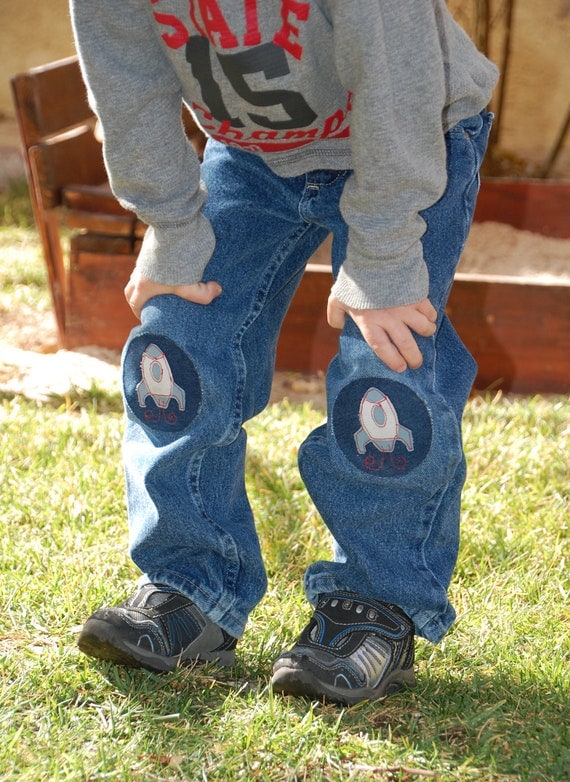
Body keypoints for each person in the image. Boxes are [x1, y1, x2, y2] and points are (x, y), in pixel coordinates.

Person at [70, 0, 497, 705]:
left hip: (407, 137)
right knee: (173, 346)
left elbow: (398, 83)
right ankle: (193, 582)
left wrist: (385, 254)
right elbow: (127, 81)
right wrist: (171, 221)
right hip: (248, 155)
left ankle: (378, 604)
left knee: (383, 372)